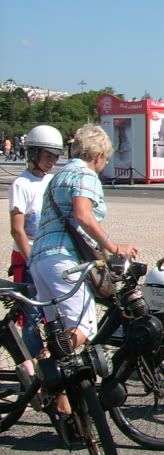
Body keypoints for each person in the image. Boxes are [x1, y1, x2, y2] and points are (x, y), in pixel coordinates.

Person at [29, 125, 139, 426]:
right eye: (106, 158)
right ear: (99, 154)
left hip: (41, 259)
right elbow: (82, 215)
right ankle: (41, 367)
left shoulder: (59, 176)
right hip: (64, 260)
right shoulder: (85, 174)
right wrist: (114, 247)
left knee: (60, 331)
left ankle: (59, 397)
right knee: (83, 326)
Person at [8, 125, 63, 356]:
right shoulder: (21, 184)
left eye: (55, 157)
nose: (52, 161)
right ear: (34, 154)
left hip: (48, 255)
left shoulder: (52, 181)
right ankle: (35, 373)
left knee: (52, 313)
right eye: (48, 155)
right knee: (30, 317)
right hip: (28, 256)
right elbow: (17, 230)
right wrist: (32, 261)